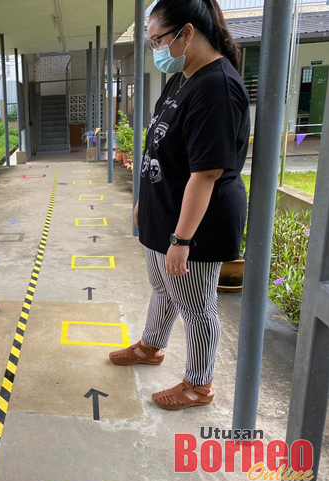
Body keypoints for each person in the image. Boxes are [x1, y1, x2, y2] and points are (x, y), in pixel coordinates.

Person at [108, 0, 249, 411]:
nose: (156, 49)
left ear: (187, 33)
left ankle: (199, 385)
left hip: (195, 223)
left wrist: (181, 239)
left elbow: (206, 174)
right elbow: (158, 144)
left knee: (197, 306)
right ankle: (151, 345)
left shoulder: (217, 88)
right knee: (162, 286)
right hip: (165, 208)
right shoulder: (183, 76)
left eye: (158, 40)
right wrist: (143, 201)